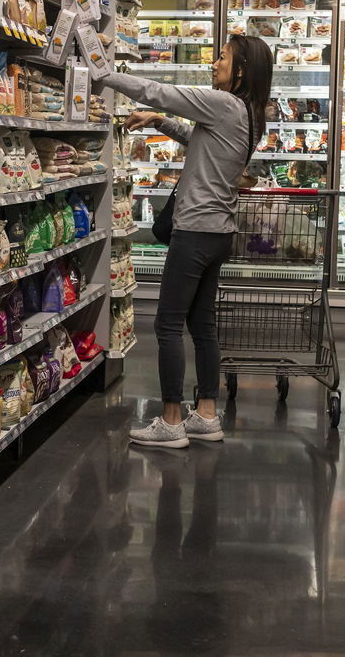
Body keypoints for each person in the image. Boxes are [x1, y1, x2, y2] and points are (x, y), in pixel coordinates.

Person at [104, 35, 273, 448]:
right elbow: (201, 140)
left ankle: (171, 419)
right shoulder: (249, 114)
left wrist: (105, 74)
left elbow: (161, 91)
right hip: (219, 232)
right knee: (202, 326)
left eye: (223, 57)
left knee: (166, 325)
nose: (214, 63)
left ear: (241, 70)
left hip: (195, 231)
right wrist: (158, 122)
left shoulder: (224, 104)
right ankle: (207, 415)